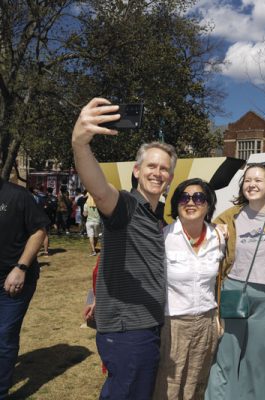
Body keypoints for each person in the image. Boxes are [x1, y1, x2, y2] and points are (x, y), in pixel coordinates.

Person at [72, 97, 177, 399]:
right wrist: (80, 145)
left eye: (164, 169)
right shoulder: (126, 205)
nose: (157, 173)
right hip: (128, 331)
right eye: (151, 166)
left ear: (170, 178)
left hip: (145, 327)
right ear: (137, 170)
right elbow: (100, 191)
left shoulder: (155, 217)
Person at [206, 163, 265, 400]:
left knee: (259, 359)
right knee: (225, 355)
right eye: (247, 180)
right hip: (235, 290)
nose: (251, 184)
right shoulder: (229, 217)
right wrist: (214, 231)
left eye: (258, 180)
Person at [154, 178, 225, 400]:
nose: (191, 202)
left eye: (199, 197)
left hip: (206, 322)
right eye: (184, 198)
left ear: (208, 205)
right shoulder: (164, 237)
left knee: (197, 384)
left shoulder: (219, 237)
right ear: (176, 205)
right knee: (167, 386)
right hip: (173, 323)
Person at [0, 177, 49, 398]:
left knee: (4, 335)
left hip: (14, 281)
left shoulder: (18, 195)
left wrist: (21, 267)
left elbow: (39, 230)